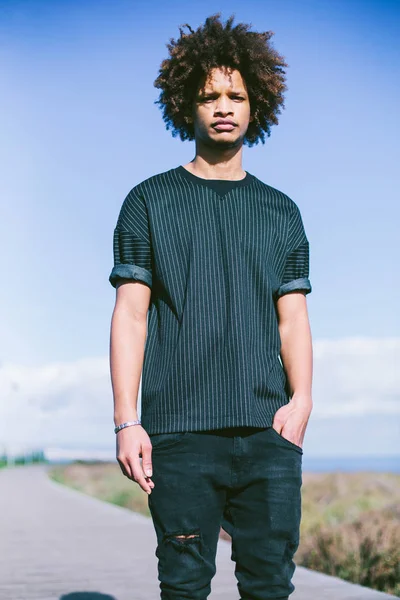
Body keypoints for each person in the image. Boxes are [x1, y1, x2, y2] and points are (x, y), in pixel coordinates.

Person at [109, 13, 313, 600]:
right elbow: (131, 314)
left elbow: (292, 317)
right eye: (209, 96)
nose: (223, 106)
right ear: (186, 105)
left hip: (268, 434)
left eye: (236, 95)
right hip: (179, 433)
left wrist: (300, 404)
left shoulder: (281, 211)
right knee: (184, 585)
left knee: (271, 585)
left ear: (256, 106)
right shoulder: (148, 200)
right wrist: (128, 420)